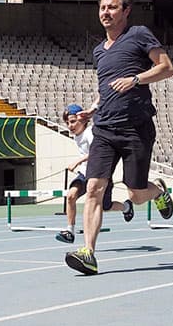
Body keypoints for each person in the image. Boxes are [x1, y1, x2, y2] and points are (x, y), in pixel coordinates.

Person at [66, 0, 173, 275]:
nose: (106, 12)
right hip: (104, 129)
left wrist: (136, 80)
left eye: (112, 7)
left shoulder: (139, 35)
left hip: (135, 128)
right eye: (103, 7)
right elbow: (106, 89)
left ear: (126, 11)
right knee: (93, 188)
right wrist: (93, 108)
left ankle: (159, 192)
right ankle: (88, 252)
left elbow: (167, 67)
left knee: (137, 194)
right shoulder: (99, 51)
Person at [56, 103, 133, 244]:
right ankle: (69, 231)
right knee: (71, 196)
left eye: (73, 121)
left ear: (84, 120)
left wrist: (78, 161)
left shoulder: (90, 133)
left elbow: (96, 153)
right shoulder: (77, 136)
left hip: (99, 174)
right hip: (85, 173)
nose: (70, 126)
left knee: (106, 207)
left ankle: (126, 207)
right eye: (67, 123)